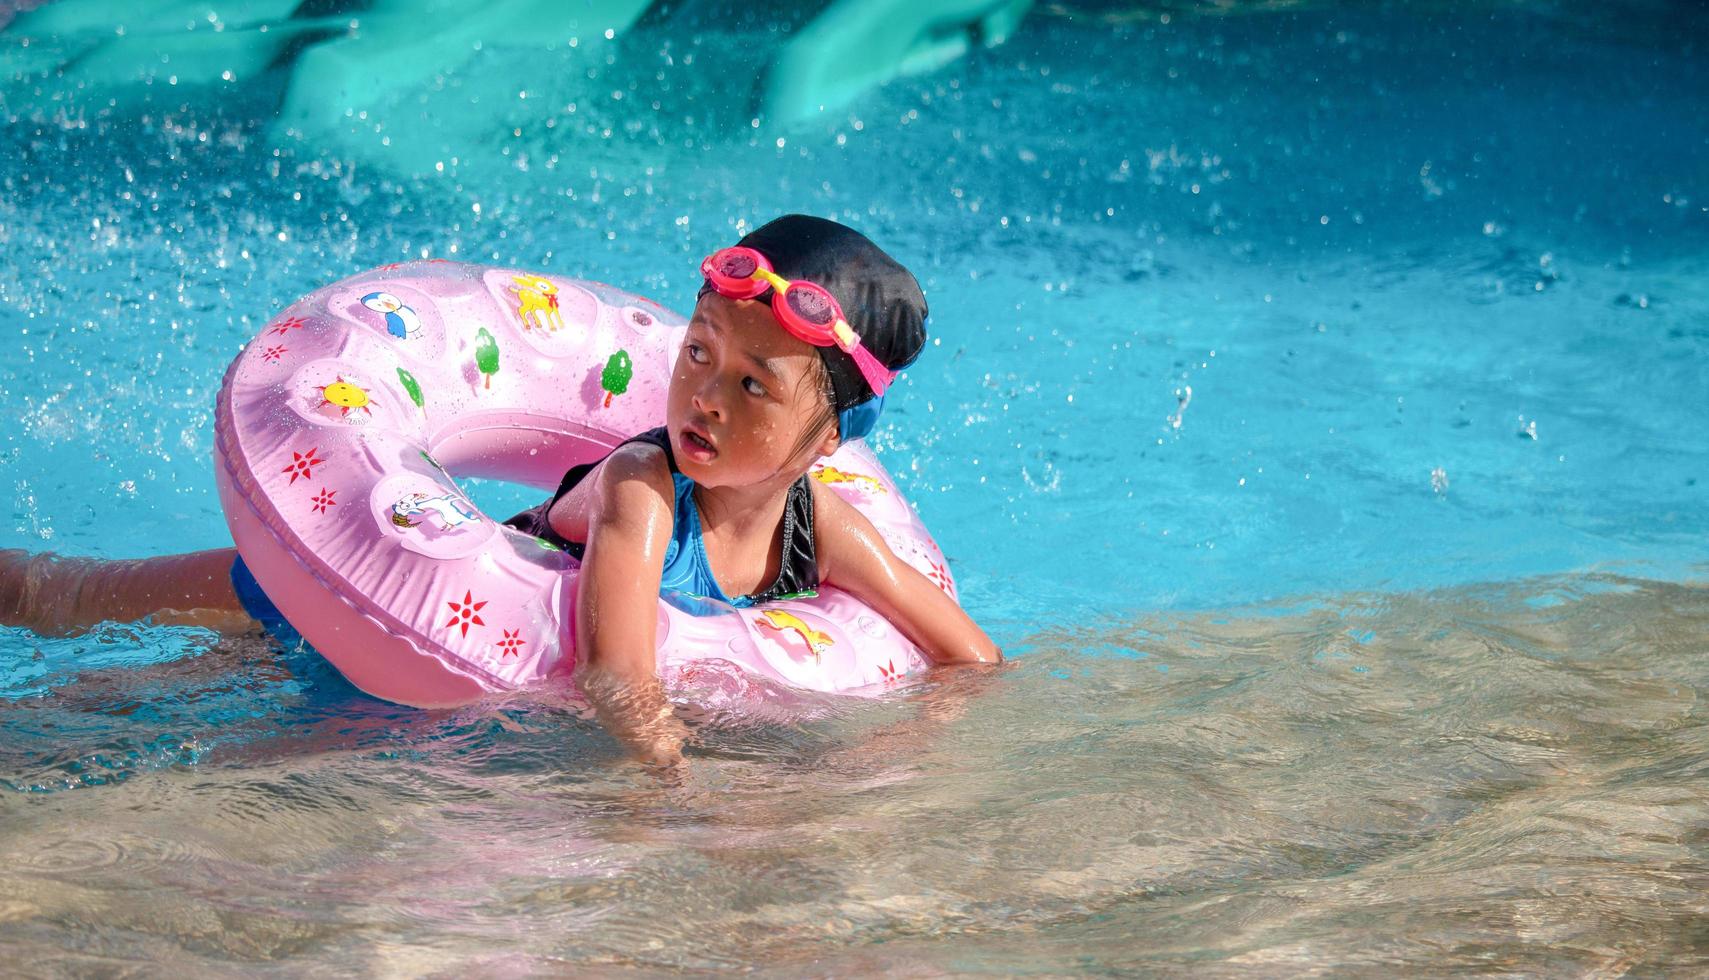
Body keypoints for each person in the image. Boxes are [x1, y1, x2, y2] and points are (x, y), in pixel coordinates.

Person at [0, 214, 1002, 765]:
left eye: (752, 385)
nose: (702, 393)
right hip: (340, 589)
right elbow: (617, 671)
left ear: (826, 435)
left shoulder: (817, 527)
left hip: (424, 683)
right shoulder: (641, 487)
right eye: (697, 351)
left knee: (170, 735)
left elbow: (965, 649)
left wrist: (922, 744)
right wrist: (668, 781)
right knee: (70, 612)